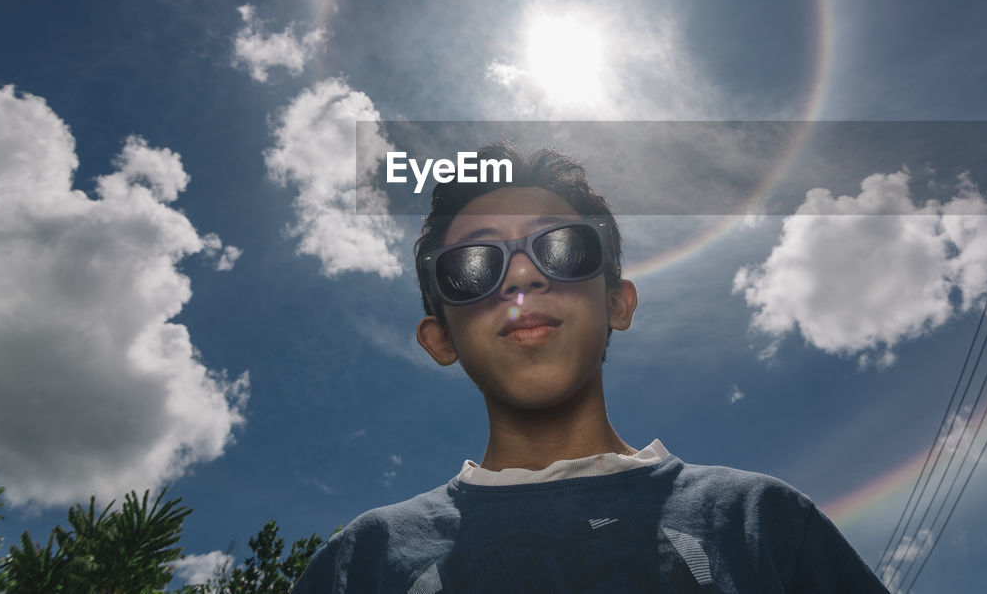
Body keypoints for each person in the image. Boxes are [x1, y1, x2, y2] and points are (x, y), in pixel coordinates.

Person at [292, 142, 889, 593]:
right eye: (473, 266)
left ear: (617, 303)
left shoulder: (762, 522)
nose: (523, 277)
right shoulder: (365, 560)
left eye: (563, 247)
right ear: (440, 337)